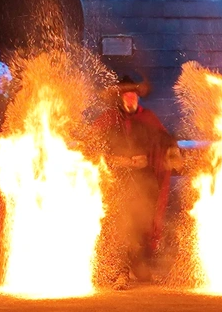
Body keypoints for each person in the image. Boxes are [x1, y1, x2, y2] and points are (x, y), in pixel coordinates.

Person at [92, 76, 182, 291]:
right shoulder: (109, 120)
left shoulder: (147, 117)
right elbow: (92, 144)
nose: (131, 99)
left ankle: (137, 265)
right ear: (121, 98)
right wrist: (118, 161)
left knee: (142, 222)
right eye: (127, 95)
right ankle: (120, 271)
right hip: (117, 180)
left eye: (134, 95)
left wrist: (172, 151)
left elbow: (165, 138)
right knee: (121, 222)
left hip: (143, 180)